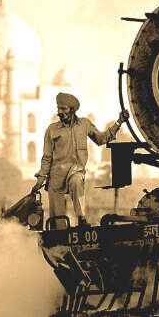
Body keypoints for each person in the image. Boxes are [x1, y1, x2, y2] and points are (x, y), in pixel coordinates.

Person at [32, 92, 129, 228]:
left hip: (75, 171)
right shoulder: (52, 130)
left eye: (64, 109)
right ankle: (59, 242)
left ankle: (81, 219)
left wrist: (119, 122)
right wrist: (41, 178)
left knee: (76, 182)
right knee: (57, 224)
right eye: (58, 108)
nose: (60, 112)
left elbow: (101, 139)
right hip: (56, 176)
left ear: (72, 110)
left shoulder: (84, 124)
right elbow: (47, 157)